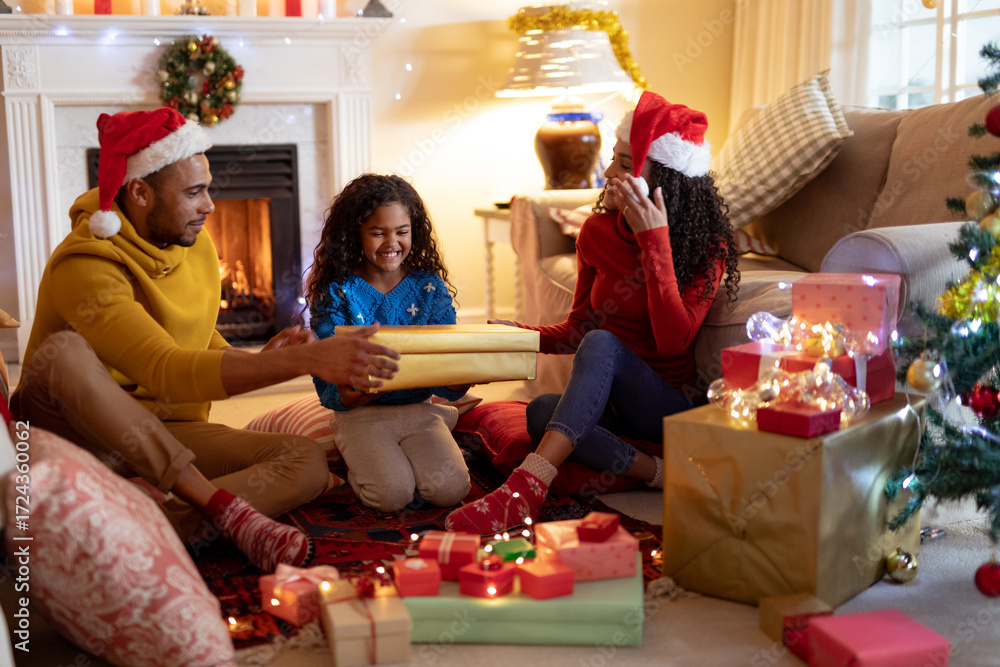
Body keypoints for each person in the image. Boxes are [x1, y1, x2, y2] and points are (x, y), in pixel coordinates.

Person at [11, 108, 401, 572]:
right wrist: (308, 361)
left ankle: (146, 527)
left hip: (162, 427)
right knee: (65, 354)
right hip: (72, 430)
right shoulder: (85, 265)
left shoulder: (191, 241)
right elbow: (165, 368)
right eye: (194, 192)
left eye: (209, 188)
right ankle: (211, 509)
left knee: (305, 461)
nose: (210, 205)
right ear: (139, 191)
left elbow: (194, 334)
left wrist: (247, 357)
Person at [445, 91, 740, 535]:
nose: (608, 173)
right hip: (612, 406)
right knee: (542, 412)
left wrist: (654, 241)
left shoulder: (704, 248)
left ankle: (526, 487)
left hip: (665, 403)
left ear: (662, 181)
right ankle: (661, 473)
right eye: (614, 160)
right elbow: (578, 329)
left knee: (601, 347)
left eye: (625, 163)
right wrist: (517, 335)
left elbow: (673, 341)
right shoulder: (598, 232)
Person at [305, 173, 472, 513]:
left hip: (419, 410)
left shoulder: (429, 287)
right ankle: (356, 454)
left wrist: (466, 372)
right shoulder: (337, 291)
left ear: (414, 231)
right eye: (378, 232)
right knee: (391, 496)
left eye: (401, 231)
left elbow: (449, 372)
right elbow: (328, 373)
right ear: (355, 233)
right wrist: (356, 393)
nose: (391, 242)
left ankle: (439, 422)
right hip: (361, 414)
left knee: (451, 489)